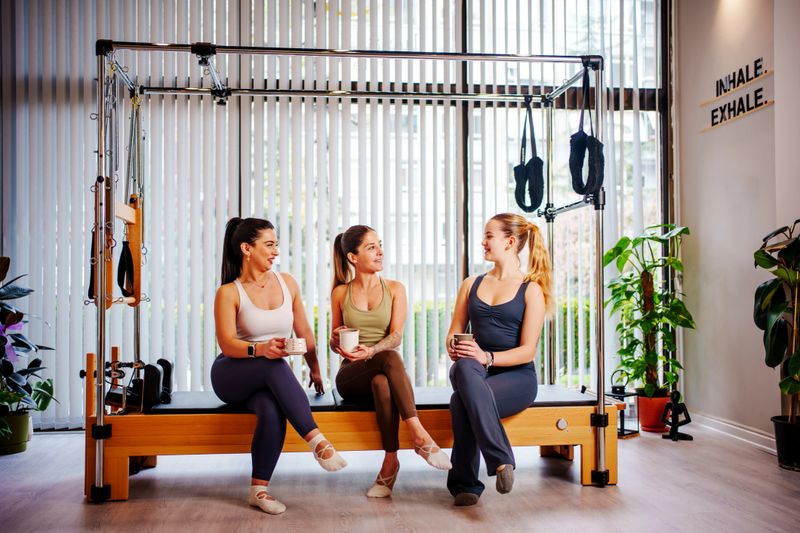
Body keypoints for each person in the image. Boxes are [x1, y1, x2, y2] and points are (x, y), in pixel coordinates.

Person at [211, 217, 347, 515]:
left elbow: (304, 331)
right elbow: (227, 344)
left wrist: (314, 368)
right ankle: (317, 441)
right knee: (272, 363)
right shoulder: (229, 292)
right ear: (247, 248)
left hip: (268, 374)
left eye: (277, 245)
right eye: (269, 244)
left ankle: (258, 490)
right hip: (231, 373)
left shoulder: (287, 283)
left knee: (271, 411)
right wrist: (260, 349)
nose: (275, 251)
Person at [330, 225, 452, 498]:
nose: (380, 251)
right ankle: (419, 436)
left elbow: (396, 336)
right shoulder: (341, 293)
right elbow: (333, 340)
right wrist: (337, 340)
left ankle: (390, 463)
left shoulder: (396, 289)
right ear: (353, 257)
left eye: (380, 244)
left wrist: (371, 352)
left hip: (381, 369)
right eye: (371, 247)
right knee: (388, 359)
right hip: (351, 376)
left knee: (383, 380)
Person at [444, 213, 551, 506]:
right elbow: (453, 332)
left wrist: (486, 356)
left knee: (460, 402)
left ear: (510, 241)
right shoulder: (471, 284)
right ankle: (501, 459)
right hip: (473, 371)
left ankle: (465, 484)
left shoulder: (531, 290)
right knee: (465, 366)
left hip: (516, 377)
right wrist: (454, 346)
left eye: (489, 236)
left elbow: (528, 350)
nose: (483, 242)